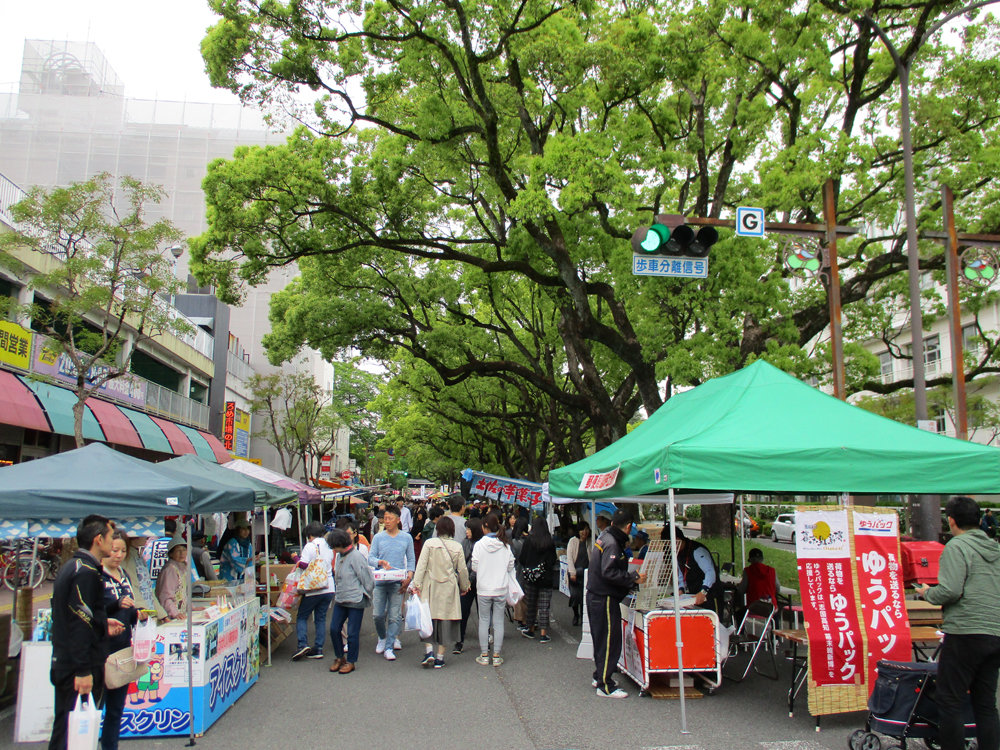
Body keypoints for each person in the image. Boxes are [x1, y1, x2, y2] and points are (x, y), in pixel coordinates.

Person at [915, 496, 1000, 750]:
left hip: (965, 631)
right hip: (995, 632)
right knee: (985, 703)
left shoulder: (957, 546)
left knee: (949, 700)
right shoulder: (995, 548)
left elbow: (950, 590)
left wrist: (927, 593)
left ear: (951, 520)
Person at [49, 515, 124, 750]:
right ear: (98, 539)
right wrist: (83, 670)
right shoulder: (85, 572)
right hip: (76, 666)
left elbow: (82, 617)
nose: (113, 544)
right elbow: (79, 624)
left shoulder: (74, 566)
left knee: (66, 728)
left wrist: (103, 623)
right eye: (110, 537)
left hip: (68, 661)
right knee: (71, 734)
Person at [587, 509, 645, 699]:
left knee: (601, 638)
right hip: (604, 597)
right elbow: (609, 572)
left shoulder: (605, 538)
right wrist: (633, 577)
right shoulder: (612, 544)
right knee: (609, 641)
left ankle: (600, 676)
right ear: (628, 526)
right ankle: (605, 685)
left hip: (596, 595)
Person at [410, 515, 470, 669]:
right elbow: (462, 569)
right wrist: (465, 586)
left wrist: (416, 584)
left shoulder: (429, 543)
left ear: (437, 529)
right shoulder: (457, 546)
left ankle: (429, 651)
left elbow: (421, 565)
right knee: (444, 620)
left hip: (430, 585)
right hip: (448, 587)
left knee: (428, 619)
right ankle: (440, 657)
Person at [100, 530, 141, 750]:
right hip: (101, 651)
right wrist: (115, 606)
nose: (118, 555)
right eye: (114, 550)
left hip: (123, 649)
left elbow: (130, 606)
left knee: (116, 709)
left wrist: (138, 613)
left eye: (123, 550)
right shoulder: (96, 576)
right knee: (94, 708)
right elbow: (92, 611)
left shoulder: (124, 574)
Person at [368, 504, 416, 661]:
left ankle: (389, 646)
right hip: (380, 581)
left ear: (397, 519)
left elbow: (411, 560)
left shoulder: (406, 538)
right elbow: (370, 558)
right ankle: (382, 637)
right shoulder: (378, 537)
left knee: (395, 616)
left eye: (390, 518)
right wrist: (380, 562)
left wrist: (409, 578)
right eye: (385, 518)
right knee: (377, 614)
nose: (386, 521)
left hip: (398, 581)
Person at [326, 528, 375, 675]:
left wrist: (366, 593)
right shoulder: (340, 556)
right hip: (341, 598)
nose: (333, 549)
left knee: (353, 633)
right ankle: (339, 657)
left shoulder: (356, 556)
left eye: (334, 546)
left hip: (355, 599)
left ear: (339, 544)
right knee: (334, 628)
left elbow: (367, 579)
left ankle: (351, 661)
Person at [472, 513, 514, 666]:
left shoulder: (478, 545)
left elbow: (474, 566)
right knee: (498, 621)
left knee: (484, 621)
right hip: (500, 588)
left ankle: (484, 655)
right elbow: (510, 565)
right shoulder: (505, 546)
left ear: (484, 527)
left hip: (483, 588)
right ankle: (496, 655)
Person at [292, 521, 335, 661]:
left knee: (302, 616)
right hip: (328, 587)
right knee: (321, 618)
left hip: (313, 588)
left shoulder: (310, 546)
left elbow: (304, 564)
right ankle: (318, 648)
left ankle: (302, 644)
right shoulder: (329, 546)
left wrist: (295, 558)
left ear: (309, 535)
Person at [518, 517, 559, 643]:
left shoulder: (529, 540)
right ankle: (543, 634)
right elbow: (553, 560)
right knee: (544, 606)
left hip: (531, 578)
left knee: (531, 604)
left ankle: (530, 629)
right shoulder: (549, 541)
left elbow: (522, 558)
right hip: (546, 578)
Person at [671, 527, 723, 613]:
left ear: (677, 540)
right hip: (693, 597)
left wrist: (703, 591)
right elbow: (680, 574)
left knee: (714, 622)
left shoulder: (697, 550)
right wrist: (681, 589)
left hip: (710, 596)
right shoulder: (677, 553)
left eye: (670, 544)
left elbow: (710, 572)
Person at [122, 533, 167, 621]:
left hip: (149, 611)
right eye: (144, 535)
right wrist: (143, 609)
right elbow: (133, 588)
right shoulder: (127, 559)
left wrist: (162, 614)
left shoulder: (138, 556)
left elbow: (148, 589)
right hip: (141, 613)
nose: (147, 537)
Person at [456, 517, 483, 653]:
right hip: (467, 582)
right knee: (463, 611)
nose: (466, 531)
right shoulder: (464, 543)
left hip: (480, 582)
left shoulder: (482, 544)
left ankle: (485, 641)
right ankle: (459, 641)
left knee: (483, 612)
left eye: (469, 529)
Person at [155, 537, 189, 622]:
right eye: (178, 550)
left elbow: (184, 593)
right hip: (171, 616)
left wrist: (192, 608)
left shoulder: (182, 566)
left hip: (180, 614)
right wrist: (174, 613)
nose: (182, 553)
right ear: (171, 554)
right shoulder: (170, 569)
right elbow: (165, 596)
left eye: (184, 550)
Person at [566, 522, 592, 626]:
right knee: (575, 595)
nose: (584, 532)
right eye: (582, 530)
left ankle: (582, 616)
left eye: (586, 529)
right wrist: (572, 572)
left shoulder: (590, 542)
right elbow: (569, 558)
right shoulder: (573, 541)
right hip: (574, 573)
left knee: (584, 596)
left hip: (586, 573)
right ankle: (576, 614)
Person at [219, 516, 254, 584]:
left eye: (247, 529)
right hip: (229, 577)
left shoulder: (249, 544)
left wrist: (251, 578)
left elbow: (250, 561)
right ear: (238, 530)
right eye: (243, 529)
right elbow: (234, 560)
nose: (246, 531)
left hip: (242, 579)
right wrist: (247, 561)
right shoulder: (232, 543)